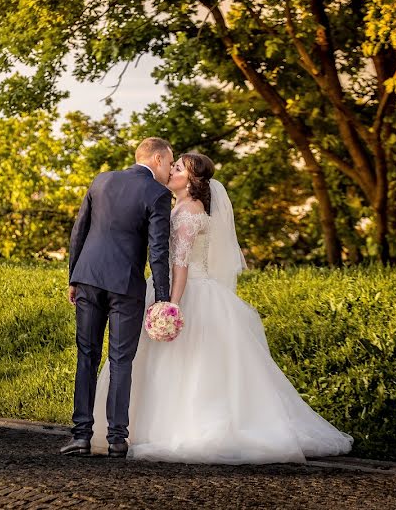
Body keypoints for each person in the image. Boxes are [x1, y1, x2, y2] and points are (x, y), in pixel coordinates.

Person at [89, 152, 353, 463]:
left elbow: (181, 264)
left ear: (191, 180)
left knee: (183, 364)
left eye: (177, 169)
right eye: (172, 166)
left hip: (186, 291)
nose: (170, 172)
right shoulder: (184, 207)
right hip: (184, 287)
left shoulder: (189, 212)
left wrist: (171, 306)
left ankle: (173, 429)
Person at [61, 137, 173, 458]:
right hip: (125, 286)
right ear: (156, 159)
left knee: (87, 355)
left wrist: (74, 277)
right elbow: (159, 251)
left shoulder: (102, 180)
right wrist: (162, 299)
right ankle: (116, 439)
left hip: (88, 278)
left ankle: (81, 436)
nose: (169, 169)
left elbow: (79, 230)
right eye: (169, 162)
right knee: (120, 360)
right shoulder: (158, 194)